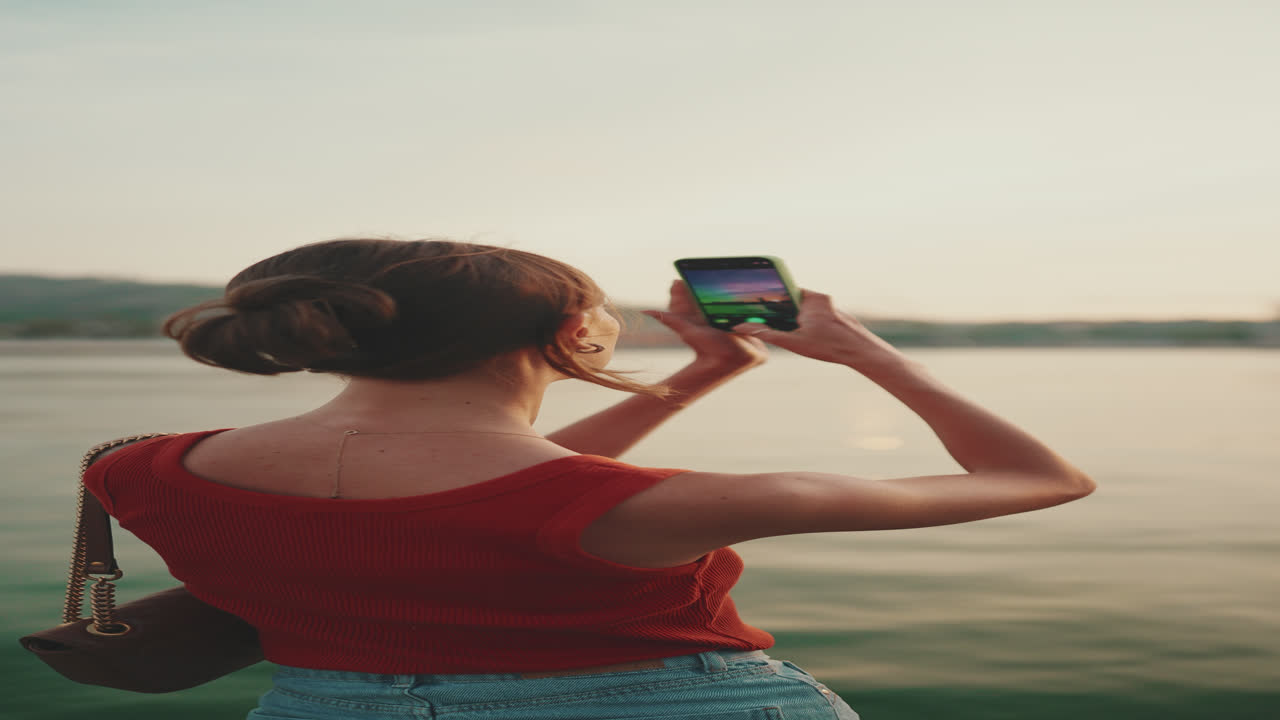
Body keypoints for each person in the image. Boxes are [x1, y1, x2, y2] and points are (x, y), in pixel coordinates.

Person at [83, 238, 1095, 720]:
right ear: (573, 334)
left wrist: (703, 374)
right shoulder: (672, 506)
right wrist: (867, 353)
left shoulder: (138, 470)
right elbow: (1038, 476)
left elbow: (491, 491)